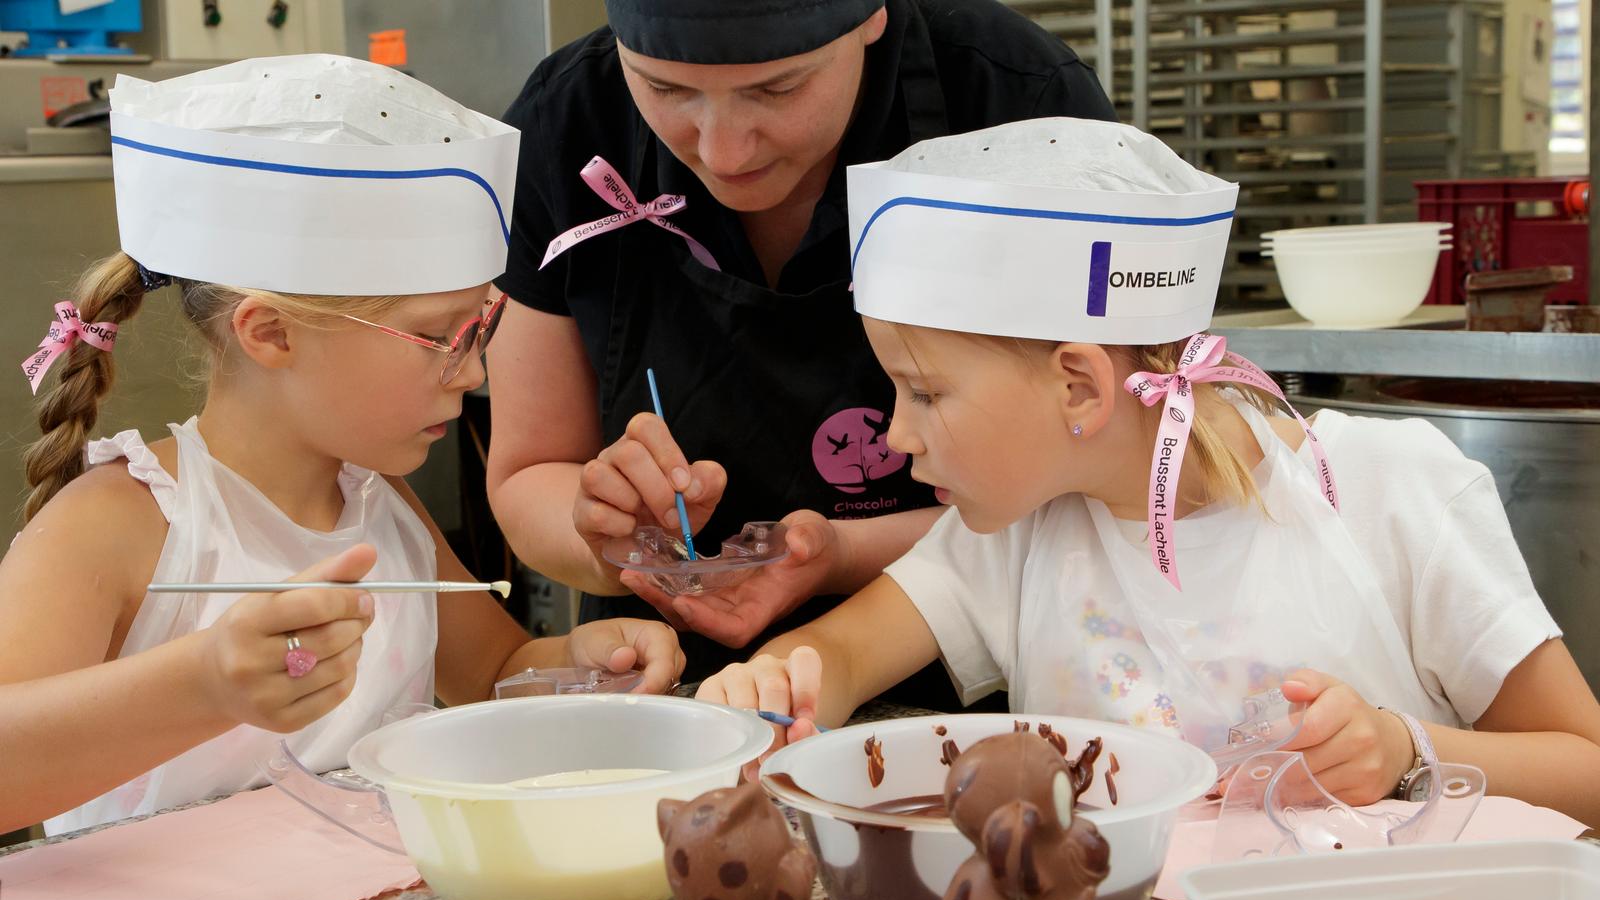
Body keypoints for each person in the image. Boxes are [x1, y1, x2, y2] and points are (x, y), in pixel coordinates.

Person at [699, 116, 1600, 825]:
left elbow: (1588, 766)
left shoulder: (1389, 492)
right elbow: (843, 655)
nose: (896, 435)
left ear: (1080, 386)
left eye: (924, 393)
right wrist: (780, 682)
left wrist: (1405, 751)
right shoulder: (1017, 533)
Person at [0, 55, 682, 838]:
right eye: (440, 337)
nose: (476, 373)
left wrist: (582, 665)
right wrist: (204, 684)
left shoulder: (379, 504)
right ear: (271, 332)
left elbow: (493, 674)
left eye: (481, 329)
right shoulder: (120, 522)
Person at [485, 0, 1116, 683]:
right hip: (659, 684)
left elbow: (1109, 476)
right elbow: (528, 472)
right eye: (665, 89)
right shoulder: (566, 121)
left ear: (873, 17)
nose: (723, 149)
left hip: (963, 684)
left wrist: (841, 553)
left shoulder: (1019, 105)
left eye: (777, 88)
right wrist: (610, 538)